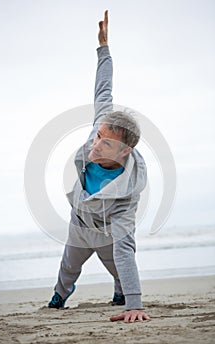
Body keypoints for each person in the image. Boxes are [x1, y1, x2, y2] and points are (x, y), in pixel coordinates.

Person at [48, 10, 150, 323]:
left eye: (105, 143)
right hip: (80, 224)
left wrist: (134, 304)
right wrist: (103, 48)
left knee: (117, 264)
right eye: (98, 136)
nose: (95, 144)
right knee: (68, 267)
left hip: (107, 233)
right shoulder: (101, 127)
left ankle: (120, 293)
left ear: (124, 151)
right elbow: (103, 89)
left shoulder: (126, 197)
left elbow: (125, 249)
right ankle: (57, 300)